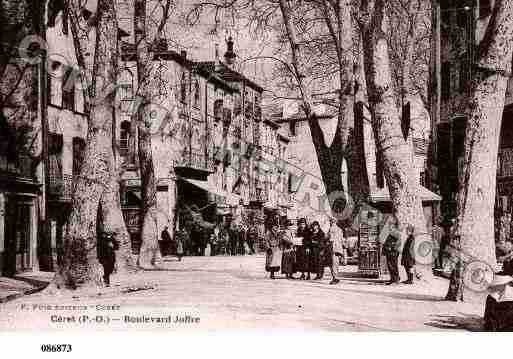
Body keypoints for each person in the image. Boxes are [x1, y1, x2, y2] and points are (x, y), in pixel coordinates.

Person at [383, 216, 401, 285]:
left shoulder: (396, 233)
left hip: (393, 252)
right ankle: (393, 279)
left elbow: (399, 242)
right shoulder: (391, 233)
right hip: (389, 252)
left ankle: (396, 280)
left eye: (391, 225)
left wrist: (391, 247)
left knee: (393, 265)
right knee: (390, 266)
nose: (389, 227)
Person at [327, 217, 343, 285]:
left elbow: (331, 239)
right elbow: (342, 239)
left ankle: (335, 277)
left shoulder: (331, 229)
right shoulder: (340, 229)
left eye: (331, 221)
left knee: (332, 263)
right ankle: (336, 277)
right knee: (336, 263)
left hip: (333, 248)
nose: (330, 223)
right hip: (338, 248)